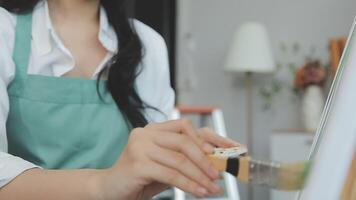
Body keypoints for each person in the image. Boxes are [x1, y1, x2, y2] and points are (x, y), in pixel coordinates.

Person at [0, 0, 241, 199]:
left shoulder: (147, 44)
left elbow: (150, 172)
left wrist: (177, 157)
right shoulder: (5, 32)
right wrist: (102, 186)